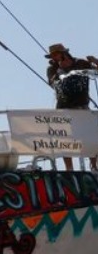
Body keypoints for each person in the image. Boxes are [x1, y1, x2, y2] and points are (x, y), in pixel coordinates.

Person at [45, 42, 98, 171]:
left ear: (64, 53)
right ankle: (69, 168)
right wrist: (59, 70)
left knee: (89, 138)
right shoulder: (52, 69)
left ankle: (94, 166)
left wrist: (95, 61)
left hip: (82, 106)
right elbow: (52, 83)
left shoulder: (81, 63)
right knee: (65, 139)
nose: (54, 58)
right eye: (52, 56)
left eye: (56, 54)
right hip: (64, 108)